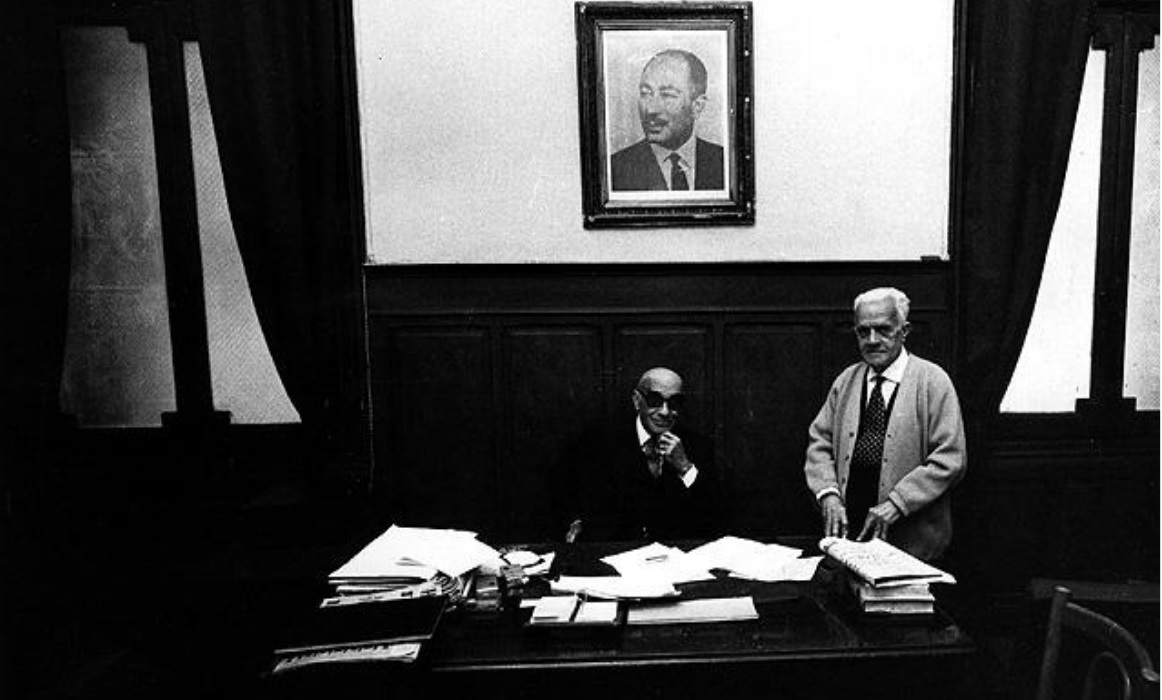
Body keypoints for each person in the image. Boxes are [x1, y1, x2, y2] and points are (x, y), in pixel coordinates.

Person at [803, 288, 966, 562]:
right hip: (849, 540)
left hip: (914, 544)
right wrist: (828, 493)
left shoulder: (933, 381)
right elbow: (819, 444)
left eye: (883, 330)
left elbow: (950, 458)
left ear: (905, 331)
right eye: (862, 331)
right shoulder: (846, 381)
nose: (872, 340)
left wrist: (897, 503)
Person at [558, 367, 717, 542]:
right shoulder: (601, 440)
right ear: (636, 400)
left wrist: (685, 467)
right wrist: (576, 522)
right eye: (655, 400)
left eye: (674, 403)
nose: (665, 412)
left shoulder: (697, 444)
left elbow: (713, 513)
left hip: (674, 556)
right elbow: (568, 492)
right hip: (616, 553)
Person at [610, 49, 725, 192]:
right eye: (645, 93)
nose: (651, 109)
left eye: (667, 96)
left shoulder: (725, 164)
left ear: (697, 106)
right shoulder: (615, 170)